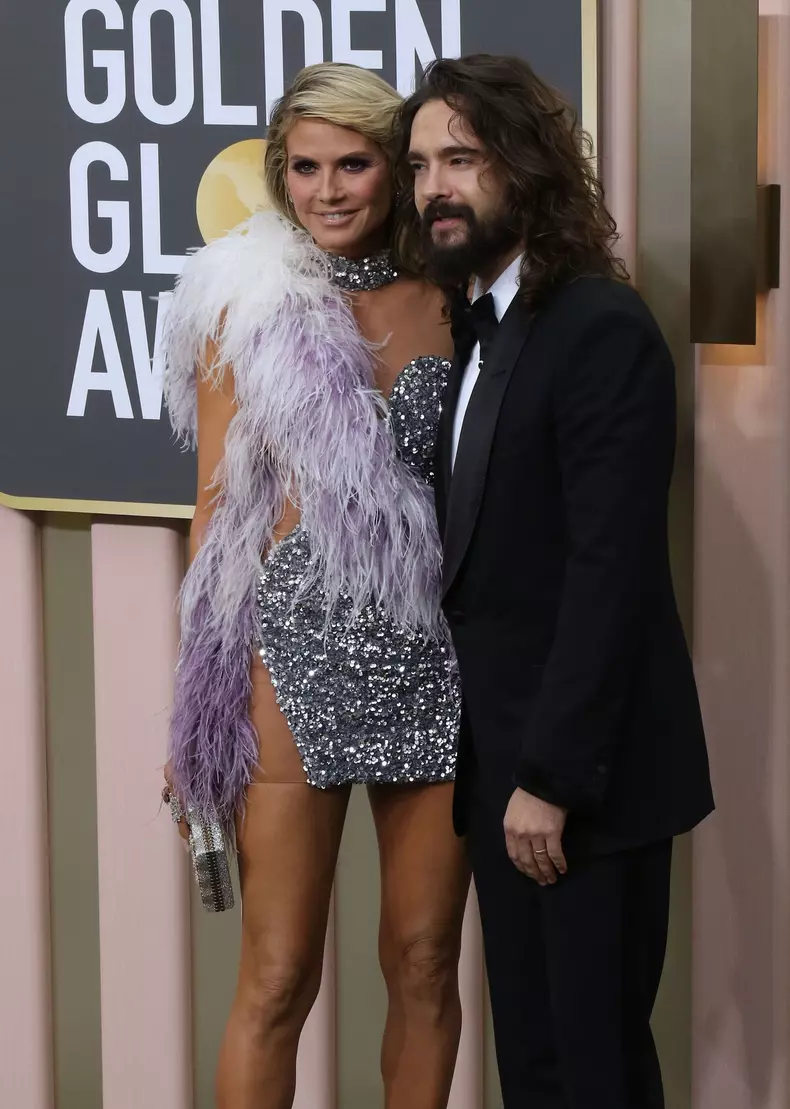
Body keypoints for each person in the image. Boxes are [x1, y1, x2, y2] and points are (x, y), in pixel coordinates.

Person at [399, 55, 714, 1109]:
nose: (434, 185)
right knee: (533, 1063)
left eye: (460, 158)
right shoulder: (482, 323)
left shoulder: (598, 328)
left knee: (595, 1070)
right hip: (506, 775)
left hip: (582, 782)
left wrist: (553, 778)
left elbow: (609, 570)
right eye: (419, 165)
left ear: (525, 169)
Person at [162, 63, 469, 1109]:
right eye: (304, 167)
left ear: (395, 169)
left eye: (354, 163)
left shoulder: (458, 294)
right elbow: (216, 513)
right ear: (277, 172)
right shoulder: (243, 309)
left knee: (424, 960)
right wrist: (193, 712)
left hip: (437, 660)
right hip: (287, 662)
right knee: (277, 973)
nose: (329, 189)